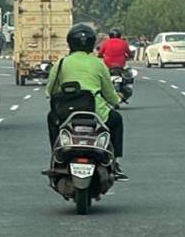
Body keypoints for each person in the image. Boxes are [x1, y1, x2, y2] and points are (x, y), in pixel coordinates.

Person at [45, 23, 128, 180]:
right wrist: (117, 100)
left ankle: (57, 156)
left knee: (51, 118)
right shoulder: (98, 63)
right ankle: (115, 161)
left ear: (70, 43)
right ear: (91, 43)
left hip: (66, 113)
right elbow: (110, 95)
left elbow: (50, 91)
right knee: (117, 120)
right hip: (96, 112)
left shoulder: (61, 63)